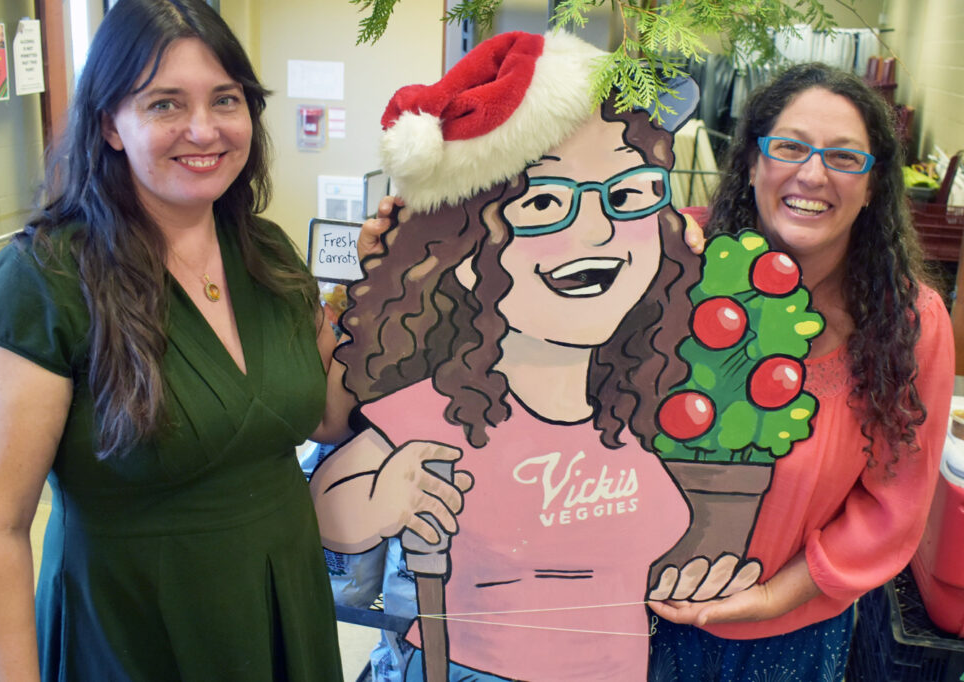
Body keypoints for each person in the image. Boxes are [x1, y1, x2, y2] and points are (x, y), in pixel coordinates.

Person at [311, 31, 754, 682]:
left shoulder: (639, 402)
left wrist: (690, 577)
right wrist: (379, 498)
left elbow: (643, 555)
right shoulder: (451, 401)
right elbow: (331, 503)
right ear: (460, 251)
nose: (599, 230)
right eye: (546, 203)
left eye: (627, 195)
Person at [0, 0, 361, 679]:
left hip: (282, 608)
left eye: (224, 100)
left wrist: (388, 293)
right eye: (165, 104)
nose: (203, 129)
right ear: (111, 123)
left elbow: (330, 414)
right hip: (131, 631)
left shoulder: (267, 253)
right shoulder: (43, 283)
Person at [647, 62, 955, 680]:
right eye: (789, 147)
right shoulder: (670, 255)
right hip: (630, 613)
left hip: (787, 638)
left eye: (845, 158)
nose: (812, 174)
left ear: (872, 186)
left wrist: (770, 599)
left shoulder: (910, 322)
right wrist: (416, 240)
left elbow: (892, 507)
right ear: (754, 162)